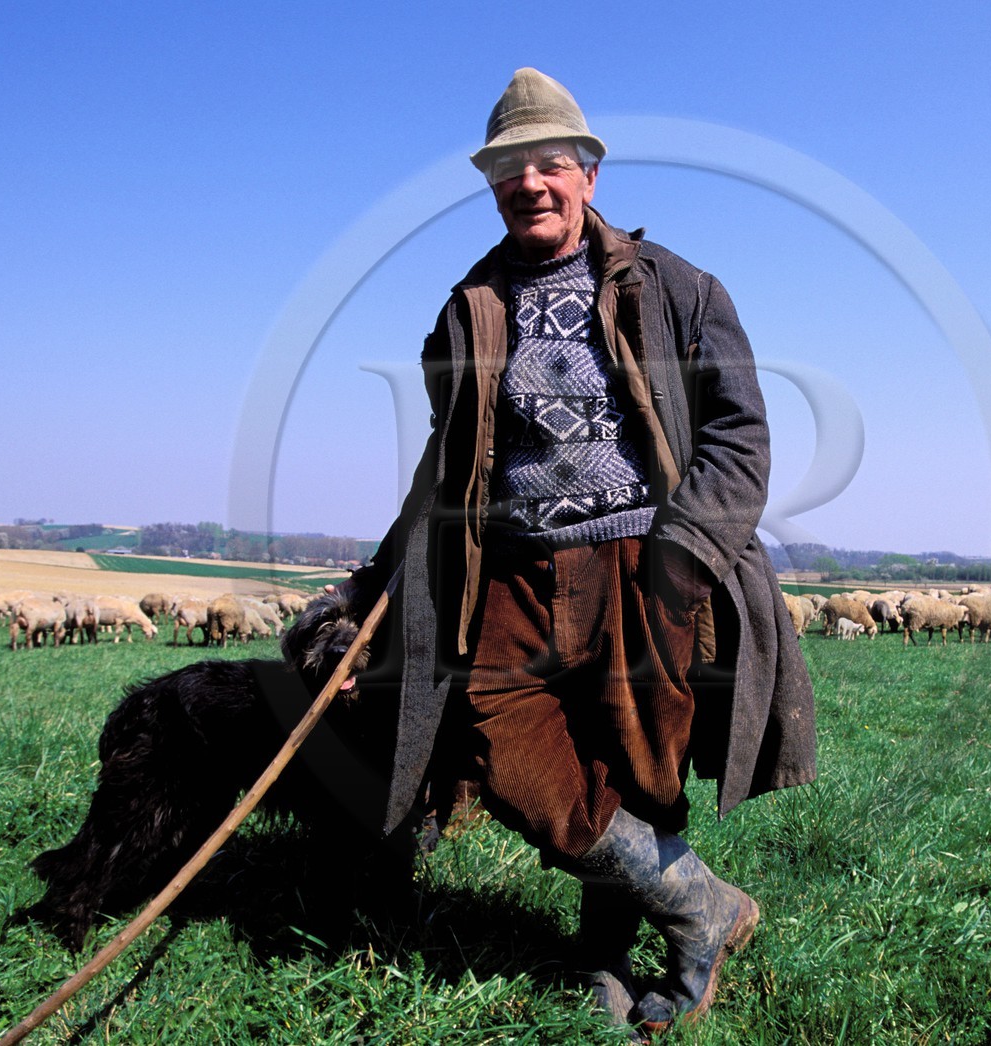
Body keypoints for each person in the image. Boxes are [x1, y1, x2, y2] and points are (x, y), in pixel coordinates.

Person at [319, 68, 815, 1033]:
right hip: (509, 574)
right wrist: (369, 586)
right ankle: (702, 907)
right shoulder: (470, 308)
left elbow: (739, 436)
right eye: (510, 171)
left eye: (551, 164)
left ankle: (605, 956)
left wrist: (685, 556)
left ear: (589, 173)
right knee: (494, 742)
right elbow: (443, 465)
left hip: (647, 566)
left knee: (641, 768)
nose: (531, 185)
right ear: (492, 187)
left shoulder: (679, 288)